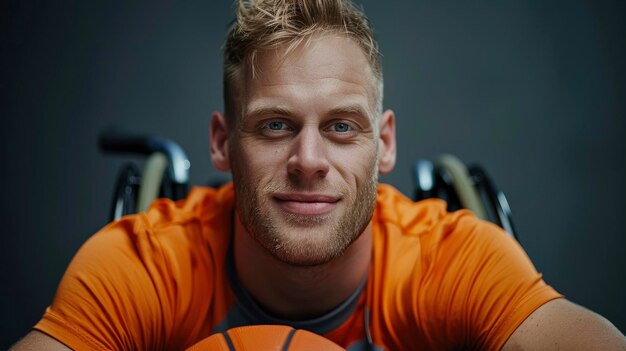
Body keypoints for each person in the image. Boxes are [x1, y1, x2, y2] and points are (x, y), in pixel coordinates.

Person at [12, 0, 626, 350]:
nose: (308, 161)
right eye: (275, 126)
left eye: (340, 127)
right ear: (223, 144)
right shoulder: (147, 264)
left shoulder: (449, 260)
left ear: (383, 144)